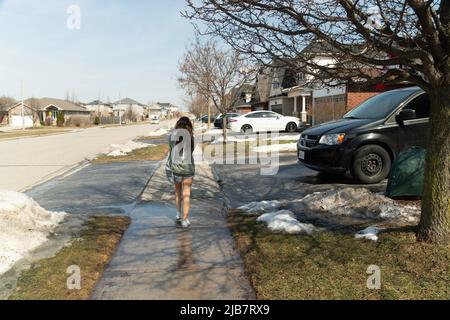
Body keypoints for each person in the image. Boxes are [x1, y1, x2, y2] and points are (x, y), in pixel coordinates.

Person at [165, 117, 196, 228]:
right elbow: (191, 151)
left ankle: (178, 214)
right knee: (186, 194)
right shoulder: (191, 137)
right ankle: (185, 219)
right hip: (188, 169)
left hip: (176, 169)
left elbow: (171, 150)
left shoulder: (172, 137)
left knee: (178, 192)